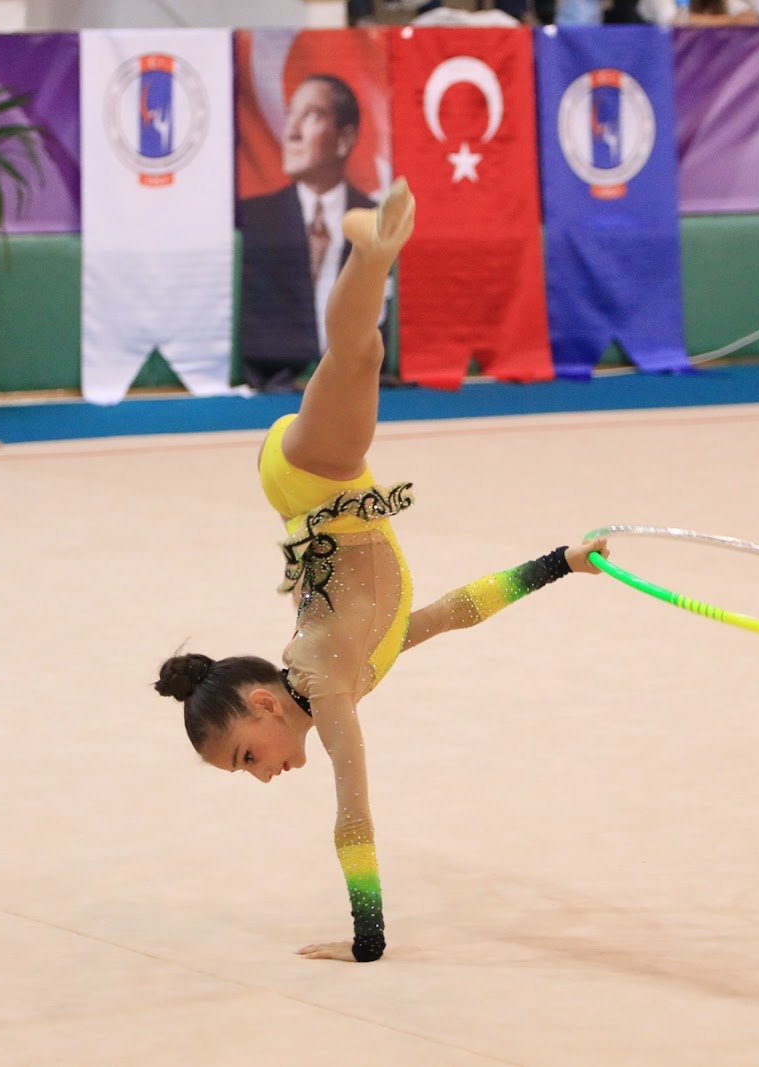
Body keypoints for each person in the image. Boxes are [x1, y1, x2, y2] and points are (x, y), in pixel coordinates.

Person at [156, 178, 608, 963]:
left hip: (316, 484)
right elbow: (451, 613)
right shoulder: (347, 667)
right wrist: (558, 564)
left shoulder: (328, 685)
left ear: (262, 702)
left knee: (357, 352)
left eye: (246, 755)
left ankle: (371, 251)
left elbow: (353, 812)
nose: (261, 775)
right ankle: (372, 254)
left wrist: (368, 935)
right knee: (359, 354)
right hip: (308, 487)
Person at [238, 74, 391, 394]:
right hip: (273, 394)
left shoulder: (379, 221)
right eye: (290, 115)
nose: (291, 133)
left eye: (311, 115)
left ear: (345, 139)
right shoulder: (254, 220)